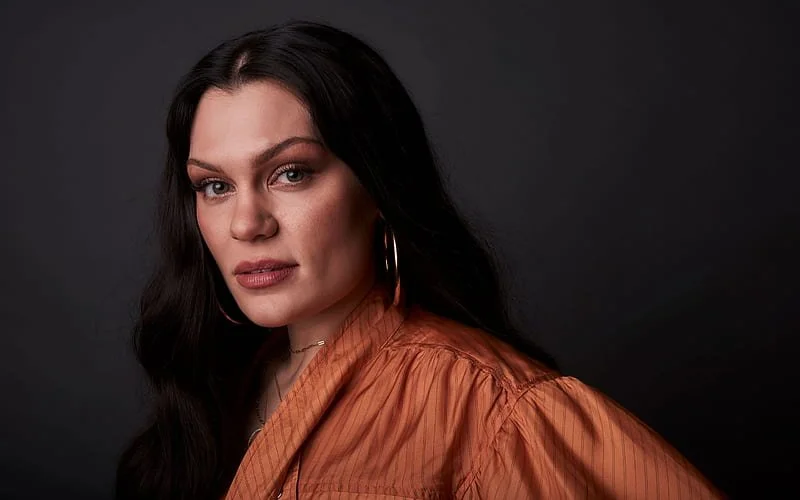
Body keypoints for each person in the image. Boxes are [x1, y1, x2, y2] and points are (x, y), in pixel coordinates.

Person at [115, 20, 722, 500]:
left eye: (291, 173)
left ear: (378, 185)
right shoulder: (219, 388)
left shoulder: (492, 406)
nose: (246, 223)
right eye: (214, 186)